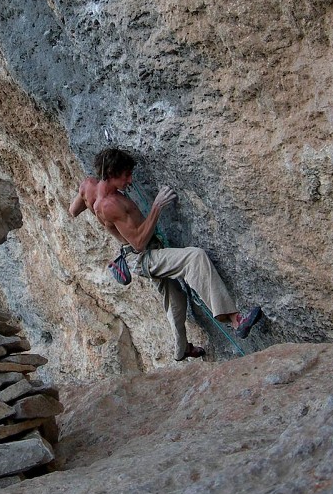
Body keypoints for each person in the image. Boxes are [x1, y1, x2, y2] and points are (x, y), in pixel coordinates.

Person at [69, 147, 262, 361]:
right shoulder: (110, 205)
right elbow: (140, 242)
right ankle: (236, 321)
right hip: (144, 257)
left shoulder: (88, 187)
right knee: (194, 257)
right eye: (126, 175)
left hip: (136, 254)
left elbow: (73, 211)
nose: (130, 180)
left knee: (175, 299)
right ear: (112, 174)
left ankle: (181, 350)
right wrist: (156, 207)